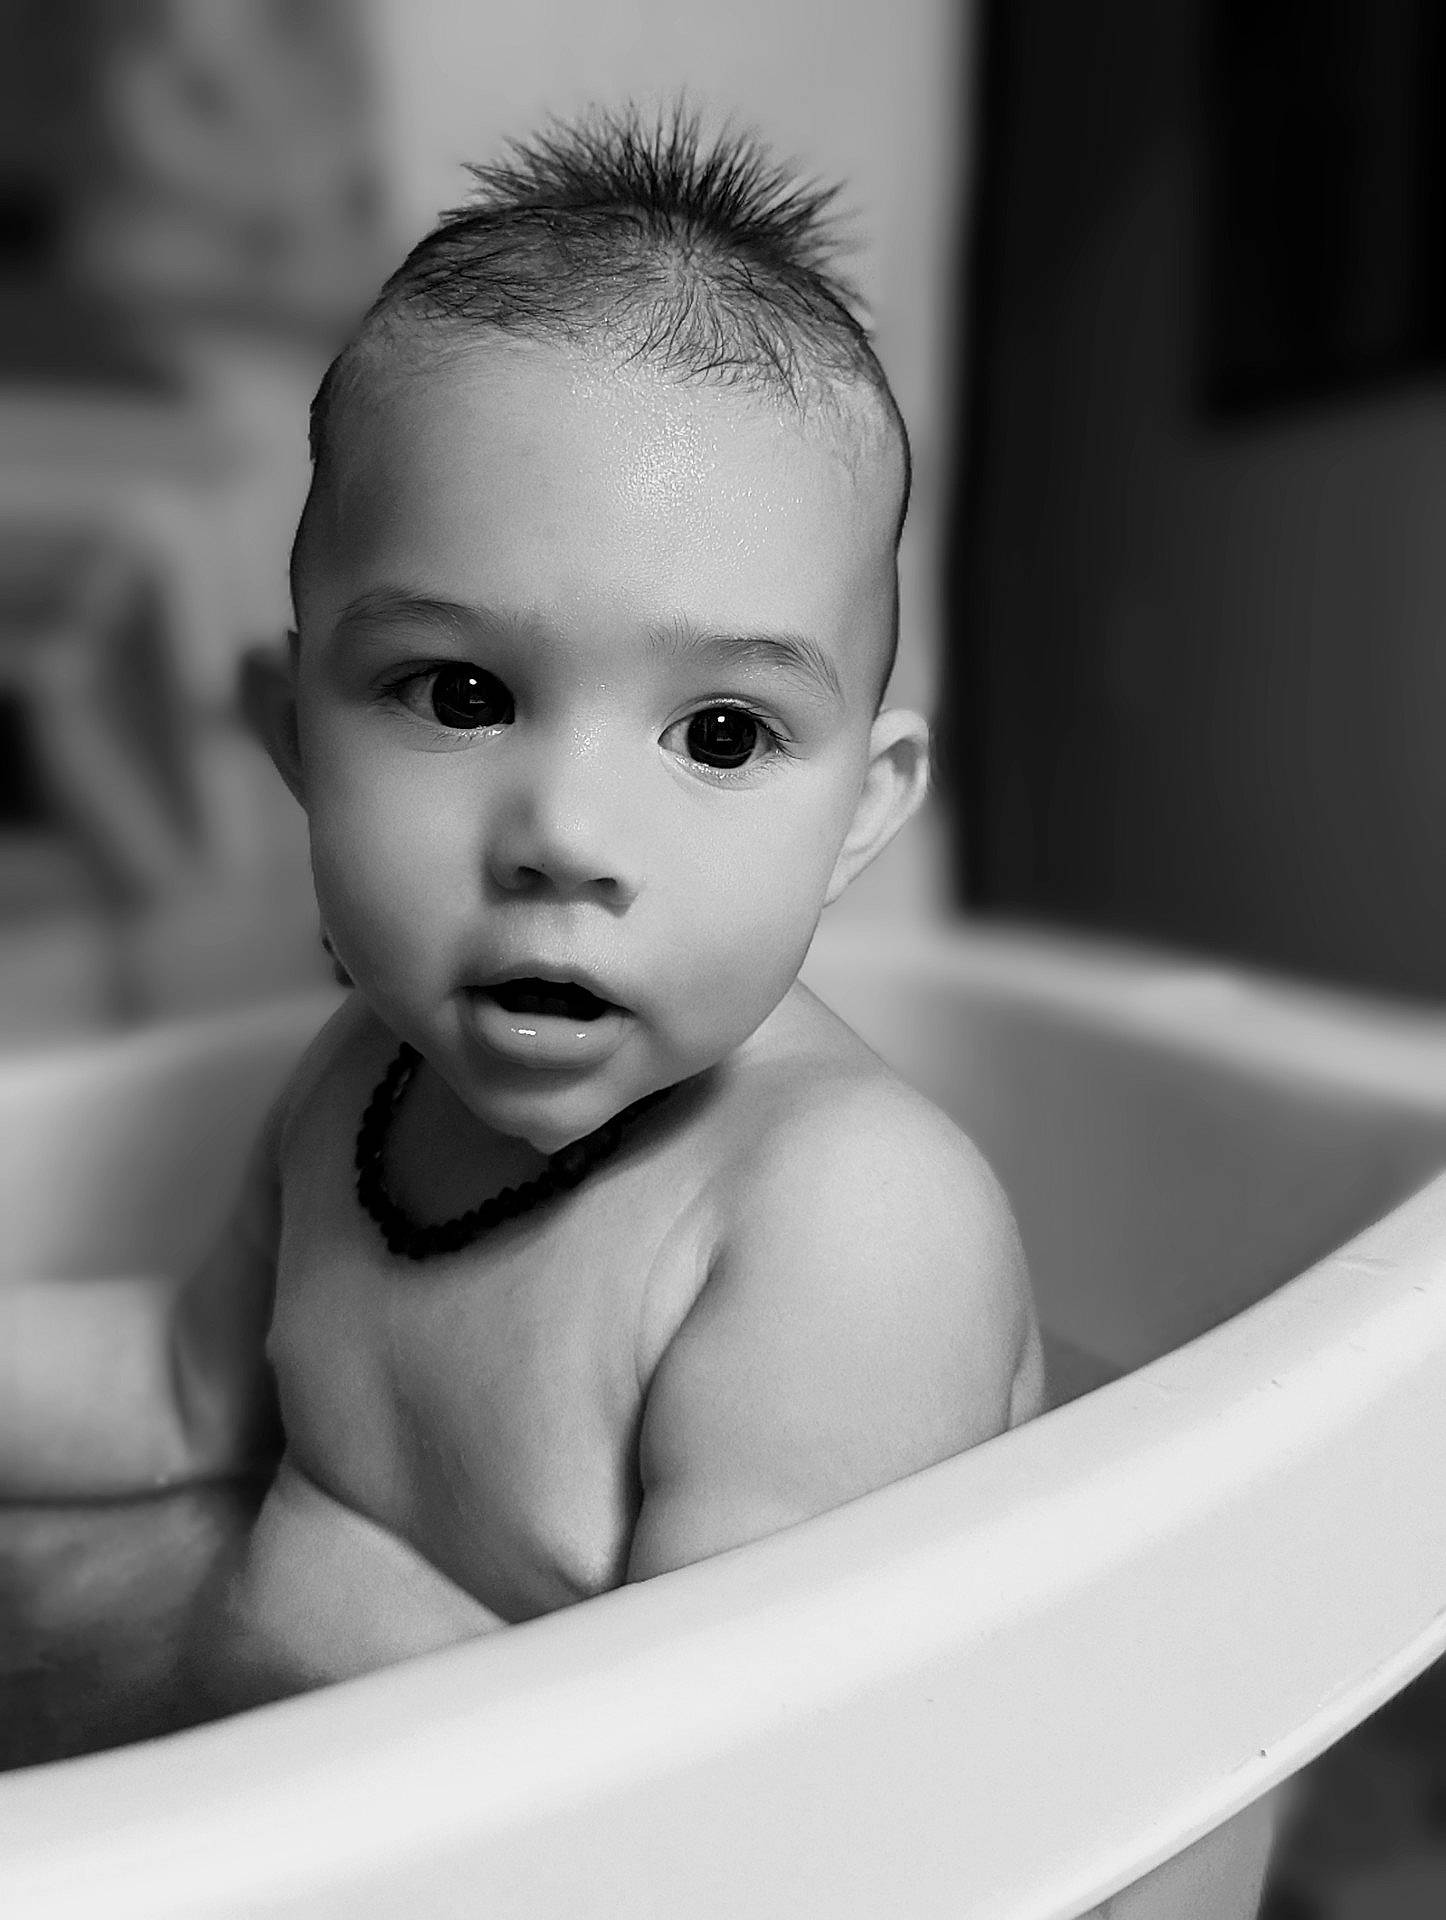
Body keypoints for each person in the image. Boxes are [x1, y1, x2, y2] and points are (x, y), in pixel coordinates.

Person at [0, 107, 1044, 1703]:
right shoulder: (357, 1083)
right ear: (298, 740)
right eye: (463, 693)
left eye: (719, 734)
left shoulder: (841, 1227)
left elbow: (746, 1781)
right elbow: (179, 1398)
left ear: (860, 814)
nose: (564, 834)